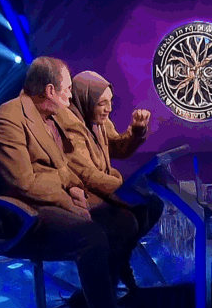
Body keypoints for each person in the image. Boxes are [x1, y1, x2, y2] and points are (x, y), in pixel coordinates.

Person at [0, 56, 138, 308]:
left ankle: (95, 301)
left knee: (123, 221)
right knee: (91, 235)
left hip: (52, 199)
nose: (70, 95)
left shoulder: (51, 117)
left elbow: (63, 168)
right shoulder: (7, 118)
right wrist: (68, 199)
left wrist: (75, 188)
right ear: (50, 91)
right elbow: (24, 182)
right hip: (25, 212)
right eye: (67, 89)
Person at [66, 70, 164, 290]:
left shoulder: (98, 121)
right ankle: (104, 286)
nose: (108, 109)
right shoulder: (70, 128)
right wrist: (123, 190)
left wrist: (137, 131)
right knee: (126, 222)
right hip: (83, 198)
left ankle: (119, 261)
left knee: (153, 205)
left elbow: (118, 148)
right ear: (85, 100)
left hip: (104, 191)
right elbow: (87, 175)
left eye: (110, 102)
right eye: (102, 103)